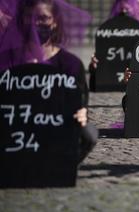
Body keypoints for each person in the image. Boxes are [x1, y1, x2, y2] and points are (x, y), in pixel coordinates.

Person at [13, 0, 97, 164]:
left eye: (43, 18)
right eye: (29, 17)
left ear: (55, 21)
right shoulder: (8, 59)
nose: (35, 24)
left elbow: (80, 102)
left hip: (54, 128)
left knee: (89, 133)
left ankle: (60, 166)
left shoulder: (71, 64)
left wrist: (82, 115)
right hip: (16, 131)